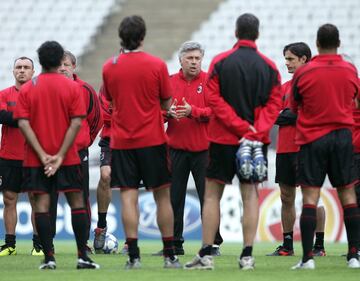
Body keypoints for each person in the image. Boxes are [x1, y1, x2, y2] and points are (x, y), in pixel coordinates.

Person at [185, 13, 282, 270]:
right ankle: (247, 256)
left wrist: (238, 126)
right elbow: (275, 104)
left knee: (212, 196)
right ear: (257, 34)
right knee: (250, 195)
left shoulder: (220, 62)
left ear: (236, 32)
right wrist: (255, 129)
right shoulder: (270, 67)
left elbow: (213, 98)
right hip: (254, 141)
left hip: (222, 139)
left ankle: (205, 255)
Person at [101, 15, 181, 269]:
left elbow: (111, 100)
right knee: (162, 197)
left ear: (120, 37)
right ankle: (170, 255)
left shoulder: (109, 66)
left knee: (128, 197)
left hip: (122, 141)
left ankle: (133, 256)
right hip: (153, 140)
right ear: (143, 37)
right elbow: (167, 104)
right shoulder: (157, 65)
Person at [14, 41, 99, 270]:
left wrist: (43, 155)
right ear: (58, 58)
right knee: (77, 202)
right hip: (69, 157)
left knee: (42, 204)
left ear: (40, 61)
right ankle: (82, 255)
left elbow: (23, 123)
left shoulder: (29, 88)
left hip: (36, 158)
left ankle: (49, 257)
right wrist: (60, 155)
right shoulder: (72, 88)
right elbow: (76, 122)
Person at [290, 24, 360, 269]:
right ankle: (353, 255)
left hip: (313, 139)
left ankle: (307, 258)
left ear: (317, 44)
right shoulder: (350, 70)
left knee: (310, 196)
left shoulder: (304, 73)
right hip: (342, 138)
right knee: (348, 194)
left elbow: (294, 108)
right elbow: (356, 102)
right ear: (338, 43)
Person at [153, 41, 222, 256]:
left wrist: (194, 111)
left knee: (208, 198)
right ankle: (174, 243)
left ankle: (213, 244)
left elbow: (217, 112)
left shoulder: (211, 82)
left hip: (204, 149)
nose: (194, 62)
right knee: (174, 198)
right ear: (180, 60)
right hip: (175, 149)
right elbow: (155, 112)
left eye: (197, 58)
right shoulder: (170, 82)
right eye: (190, 58)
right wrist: (167, 114)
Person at [267, 42, 326, 257]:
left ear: (303, 59)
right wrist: (287, 114)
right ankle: (287, 245)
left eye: (290, 59)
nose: (287, 63)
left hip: (307, 147)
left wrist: (286, 115)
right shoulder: (283, 87)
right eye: (286, 59)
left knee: (312, 198)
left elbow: (303, 114)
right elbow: (274, 113)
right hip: (284, 148)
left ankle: (318, 246)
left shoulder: (314, 84)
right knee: (286, 197)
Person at [58, 50, 103, 253]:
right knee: (45, 198)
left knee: (81, 198)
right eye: (59, 65)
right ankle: (44, 245)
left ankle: (82, 244)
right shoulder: (45, 88)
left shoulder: (84, 89)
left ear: (73, 66)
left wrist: (84, 141)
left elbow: (96, 119)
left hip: (77, 153)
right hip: (49, 154)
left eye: (66, 64)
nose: (62, 68)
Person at [0, 57, 44, 256]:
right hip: (9, 156)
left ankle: (38, 244)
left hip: (34, 155)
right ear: (13, 71)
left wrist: (16, 117)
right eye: (18, 67)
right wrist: (27, 117)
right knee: (9, 199)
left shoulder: (41, 94)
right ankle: (10, 244)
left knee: (36, 198)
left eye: (26, 67)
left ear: (33, 72)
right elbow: (2, 117)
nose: (22, 70)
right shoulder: (4, 94)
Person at [93, 85, 113, 253]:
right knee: (105, 176)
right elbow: (104, 115)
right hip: (110, 139)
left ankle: (131, 240)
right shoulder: (107, 86)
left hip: (136, 139)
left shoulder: (143, 82)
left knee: (132, 187)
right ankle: (101, 227)